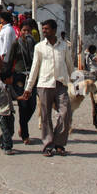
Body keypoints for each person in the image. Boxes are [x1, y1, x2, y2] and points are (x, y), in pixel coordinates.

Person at [21, 20, 74, 157]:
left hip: (61, 84)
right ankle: (48, 145)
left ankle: (59, 143)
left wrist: (76, 82)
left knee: (65, 113)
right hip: (44, 84)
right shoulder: (39, 47)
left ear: (54, 30)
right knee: (45, 116)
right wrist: (28, 88)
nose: (44, 31)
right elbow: (35, 68)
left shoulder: (64, 46)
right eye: (43, 29)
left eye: (47, 29)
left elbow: (70, 65)